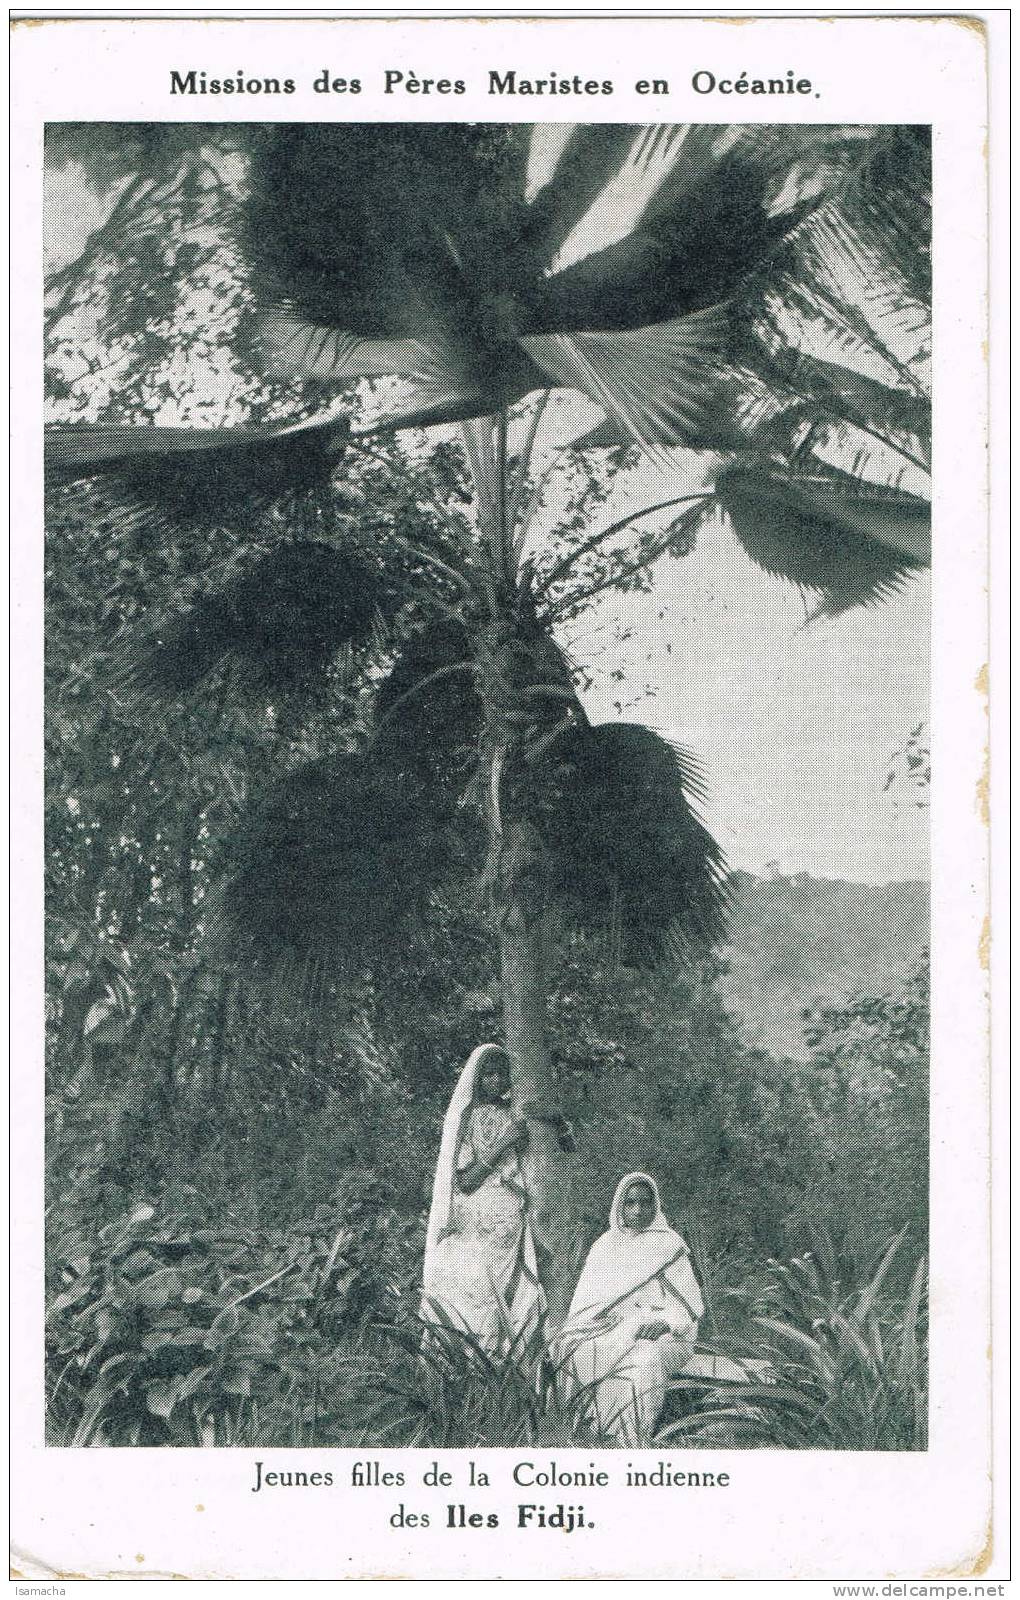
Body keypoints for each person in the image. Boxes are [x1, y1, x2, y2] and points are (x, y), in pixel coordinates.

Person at [554, 1172, 704, 1445]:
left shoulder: (669, 1245)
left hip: (669, 1333)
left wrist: (665, 1324)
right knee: (576, 1348)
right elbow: (586, 1303)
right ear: (619, 1205)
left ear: (655, 1205)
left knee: (645, 1358)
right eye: (630, 1203)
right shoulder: (605, 1245)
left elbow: (688, 1308)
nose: (637, 1210)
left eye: (645, 1203)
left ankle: (631, 1437)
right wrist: (592, 1323)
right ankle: (590, 1429)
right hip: (616, 1326)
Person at [422, 1044, 545, 1354]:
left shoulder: (515, 1112)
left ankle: (506, 1366)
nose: (496, 1081)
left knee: (510, 1296)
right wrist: (502, 1143)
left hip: (510, 1220)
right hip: (475, 1219)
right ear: (476, 1079)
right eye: (488, 1074)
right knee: (473, 1292)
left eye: (503, 1075)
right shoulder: (465, 1119)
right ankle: (466, 1363)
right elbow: (464, 1182)